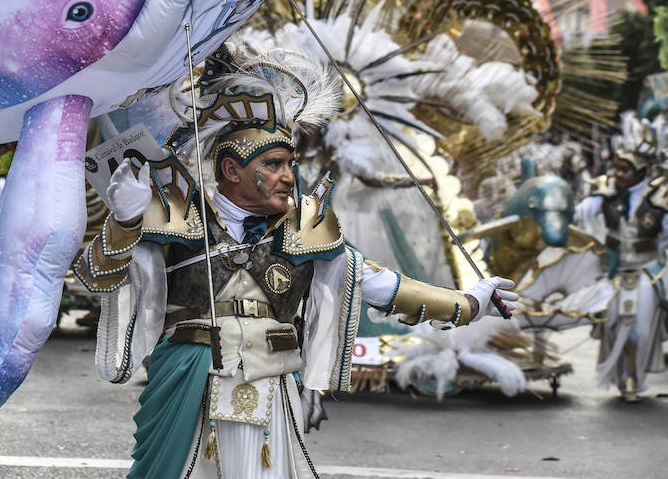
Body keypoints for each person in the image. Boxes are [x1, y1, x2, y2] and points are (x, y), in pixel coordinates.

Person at [75, 50, 517, 478]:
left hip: (272, 381)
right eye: (273, 164)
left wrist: (467, 305)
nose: (289, 175)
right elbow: (97, 275)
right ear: (231, 169)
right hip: (192, 379)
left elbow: (375, 282)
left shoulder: (304, 228)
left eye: (291, 163)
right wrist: (125, 222)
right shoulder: (175, 214)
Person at [573, 120, 668, 401]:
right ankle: (622, 375)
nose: (618, 174)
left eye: (624, 170)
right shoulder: (606, 194)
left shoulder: (661, 198)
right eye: (616, 168)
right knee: (612, 322)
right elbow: (579, 216)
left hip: (647, 270)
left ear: (641, 172)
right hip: (615, 270)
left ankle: (633, 378)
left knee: (639, 325)